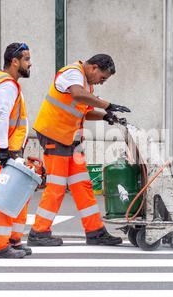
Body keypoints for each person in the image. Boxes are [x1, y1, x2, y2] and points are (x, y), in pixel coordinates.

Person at [28, 54, 130, 246]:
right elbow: (77, 94)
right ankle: (39, 232)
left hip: (70, 141)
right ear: (94, 67)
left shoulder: (87, 85)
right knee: (56, 186)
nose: (102, 83)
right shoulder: (73, 74)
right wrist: (108, 105)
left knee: (83, 186)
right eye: (102, 78)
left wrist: (105, 117)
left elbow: (84, 110)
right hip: (55, 136)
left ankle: (95, 232)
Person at [0, 43, 33, 258]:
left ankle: (13, 240)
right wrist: (3, 150)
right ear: (15, 62)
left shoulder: (9, 83)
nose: (30, 63)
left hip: (11, 151)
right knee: (3, 198)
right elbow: (1, 118)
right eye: (27, 59)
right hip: (6, 152)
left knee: (16, 195)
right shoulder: (6, 85)